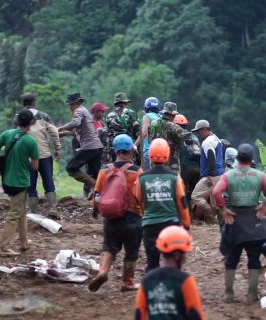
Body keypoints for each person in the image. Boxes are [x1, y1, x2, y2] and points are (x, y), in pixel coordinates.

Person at [213, 143, 266, 303]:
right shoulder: (259, 175)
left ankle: (229, 294)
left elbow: (216, 192)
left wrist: (224, 209)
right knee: (254, 259)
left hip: (234, 220)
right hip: (254, 220)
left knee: (231, 259)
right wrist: (264, 206)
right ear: (251, 159)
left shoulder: (229, 175)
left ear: (237, 158)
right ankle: (252, 294)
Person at [89, 134, 143, 292]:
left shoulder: (105, 169)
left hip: (111, 216)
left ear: (116, 150)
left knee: (108, 247)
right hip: (132, 217)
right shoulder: (136, 171)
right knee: (131, 252)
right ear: (130, 151)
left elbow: (97, 194)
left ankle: (103, 271)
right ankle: (128, 282)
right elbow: (141, 195)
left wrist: (95, 209)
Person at [0, 109, 39, 257]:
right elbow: (35, 167)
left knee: (21, 210)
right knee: (15, 213)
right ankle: (5, 247)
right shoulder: (30, 142)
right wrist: (26, 161)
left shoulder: (7, 134)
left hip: (7, 180)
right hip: (20, 182)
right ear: (30, 123)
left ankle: (24, 242)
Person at [135, 138, 191, 272]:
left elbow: (138, 200)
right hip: (171, 225)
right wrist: (186, 225)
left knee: (152, 263)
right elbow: (182, 203)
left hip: (149, 225)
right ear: (167, 154)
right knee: (173, 261)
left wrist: (146, 214)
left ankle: (151, 289)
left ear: (150, 156)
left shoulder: (142, 177)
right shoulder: (174, 177)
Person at [135, 225, 205, 320]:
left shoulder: (147, 280)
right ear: (177, 255)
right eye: (184, 253)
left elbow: (139, 314)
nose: (185, 257)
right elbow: (195, 314)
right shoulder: (185, 281)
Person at [17, 93, 62, 213]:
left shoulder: (18, 117)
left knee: (30, 184)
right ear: (34, 102)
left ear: (23, 103)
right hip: (44, 155)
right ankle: (52, 208)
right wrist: (57, 149)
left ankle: (34, 211)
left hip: (27, 157)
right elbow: (54, 132)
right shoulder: (43, 116)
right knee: (48, 181)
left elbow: (15, 137)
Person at [58, 93, 103, 190]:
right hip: (97, 147)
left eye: (71, 104)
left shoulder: (78, 110)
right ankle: (99, 194)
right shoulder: (85, 111)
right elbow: (77, 132)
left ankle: (95, 184)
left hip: (89, 147)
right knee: (95, 172)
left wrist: (59, 128)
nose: (70, 107)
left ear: (76, 103)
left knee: (71, 168)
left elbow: (75, 123)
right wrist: (64, 133)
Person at [191, 120, 225, 224]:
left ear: (205, 129)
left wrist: (210, 174)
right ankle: (221, 222)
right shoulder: (216, 139)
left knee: (196, 196)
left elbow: (211, 156)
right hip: (220, 173)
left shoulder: (207, 142)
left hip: (211, 175)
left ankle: (212, 219)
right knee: (216, 202)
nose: (198, 134)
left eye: (199, 131)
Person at [148, 102, 190, 172]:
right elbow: (186, 136)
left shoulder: (152, 124)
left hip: (154, 162)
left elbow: (149, 139)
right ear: (172, 115)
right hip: (171, 164)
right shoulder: (173, 126)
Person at [174, 114, 201, 215]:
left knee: (182, 192)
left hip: (185, 168)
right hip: (197, 168)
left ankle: (185, 215)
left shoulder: (178, 136)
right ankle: (193, 215)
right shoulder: (194, 136)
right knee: (192, 194)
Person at [105, 92, 140, 161]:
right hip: (128, 148)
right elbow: (138, 132)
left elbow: (109, 133)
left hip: (115, 148)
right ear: (125, 103)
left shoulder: (108, 116)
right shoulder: (130, 113)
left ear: (115, 104)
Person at [134, 97, 162, 171]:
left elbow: (144, 132)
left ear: (146, 107)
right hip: (160, 152)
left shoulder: (147, 116)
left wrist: (135, 145)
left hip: (148, 151)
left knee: (146, 177)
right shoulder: (161, 117)